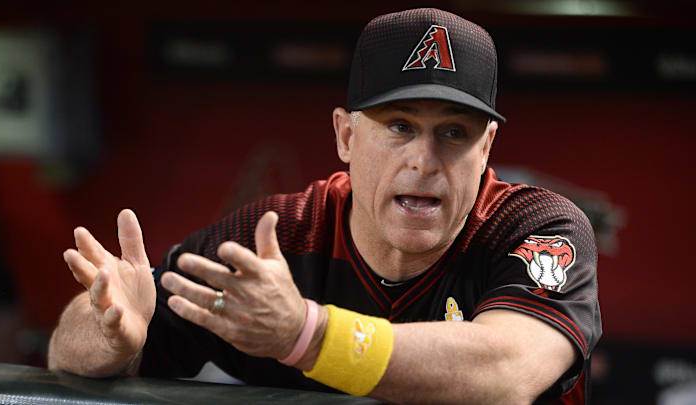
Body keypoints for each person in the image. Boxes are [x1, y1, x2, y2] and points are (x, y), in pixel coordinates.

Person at [48, 8, 601, 405]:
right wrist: (107, 335)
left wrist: (303, 335)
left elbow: (507, 372)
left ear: (487, 150)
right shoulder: (282, 236)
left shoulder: (535, 228)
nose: (425, 160)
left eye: (454, 133)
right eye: (400, 126)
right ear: (345, 136)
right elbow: (72, 353)